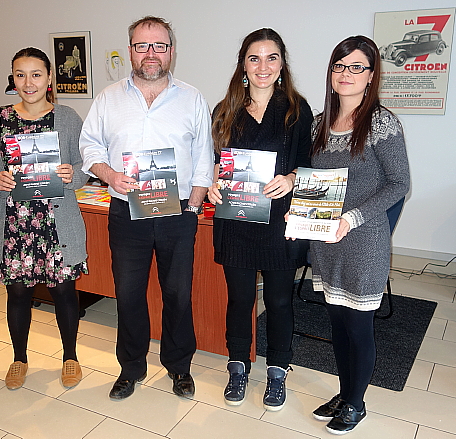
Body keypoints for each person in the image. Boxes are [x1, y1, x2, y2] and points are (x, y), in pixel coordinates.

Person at [79, 16, 213, 400]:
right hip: (126, 214)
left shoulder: (191, 98)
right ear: (131, 50)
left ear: (171, 51)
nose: (150, 54)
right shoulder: (108, 98)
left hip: (178, 215)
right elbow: (90, 147)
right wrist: (108, 174)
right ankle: (131, 368)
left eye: (159, 46)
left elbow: (204, 157)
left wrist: (194, 204)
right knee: (129, 294)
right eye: (142, 46)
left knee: (178, 295)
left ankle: (179, 367)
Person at [207, 28, 313, 410]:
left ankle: (278, 370)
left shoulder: (298, 110)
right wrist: (215, 185)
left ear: (282, 64)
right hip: (235, 219)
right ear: (243, 65)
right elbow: (215, 164)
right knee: (239, 300)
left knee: (281, 303)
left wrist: (291, 177)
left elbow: (309, 165)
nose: (263, 66)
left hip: (279, 224)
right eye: (254, 58)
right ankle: (237, 365)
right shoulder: (225, 110)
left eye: (271, 58)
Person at [309, 36, 409, 434]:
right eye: (339, 65)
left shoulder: (382, 123)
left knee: (358, 327)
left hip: (363, 241)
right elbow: (314, 180)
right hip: (326, 241)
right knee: (336, 323)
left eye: (356, 67)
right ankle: (345, 390)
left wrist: (352, 217)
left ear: (371, 76)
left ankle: (356, 402)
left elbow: (399, 183)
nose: (346, 74)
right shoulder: (319, 123)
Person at [0, 47, 88, 391]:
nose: (28, 82)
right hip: (14, 224)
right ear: (13, 78)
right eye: (20, 75)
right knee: (18, 295)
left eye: (36, 74)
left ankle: (70, 357)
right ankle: (19, 358)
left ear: (49, 77)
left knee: (65, 292)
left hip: (58, 224)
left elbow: (86, 164)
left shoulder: (67, 118)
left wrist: (74, 175)